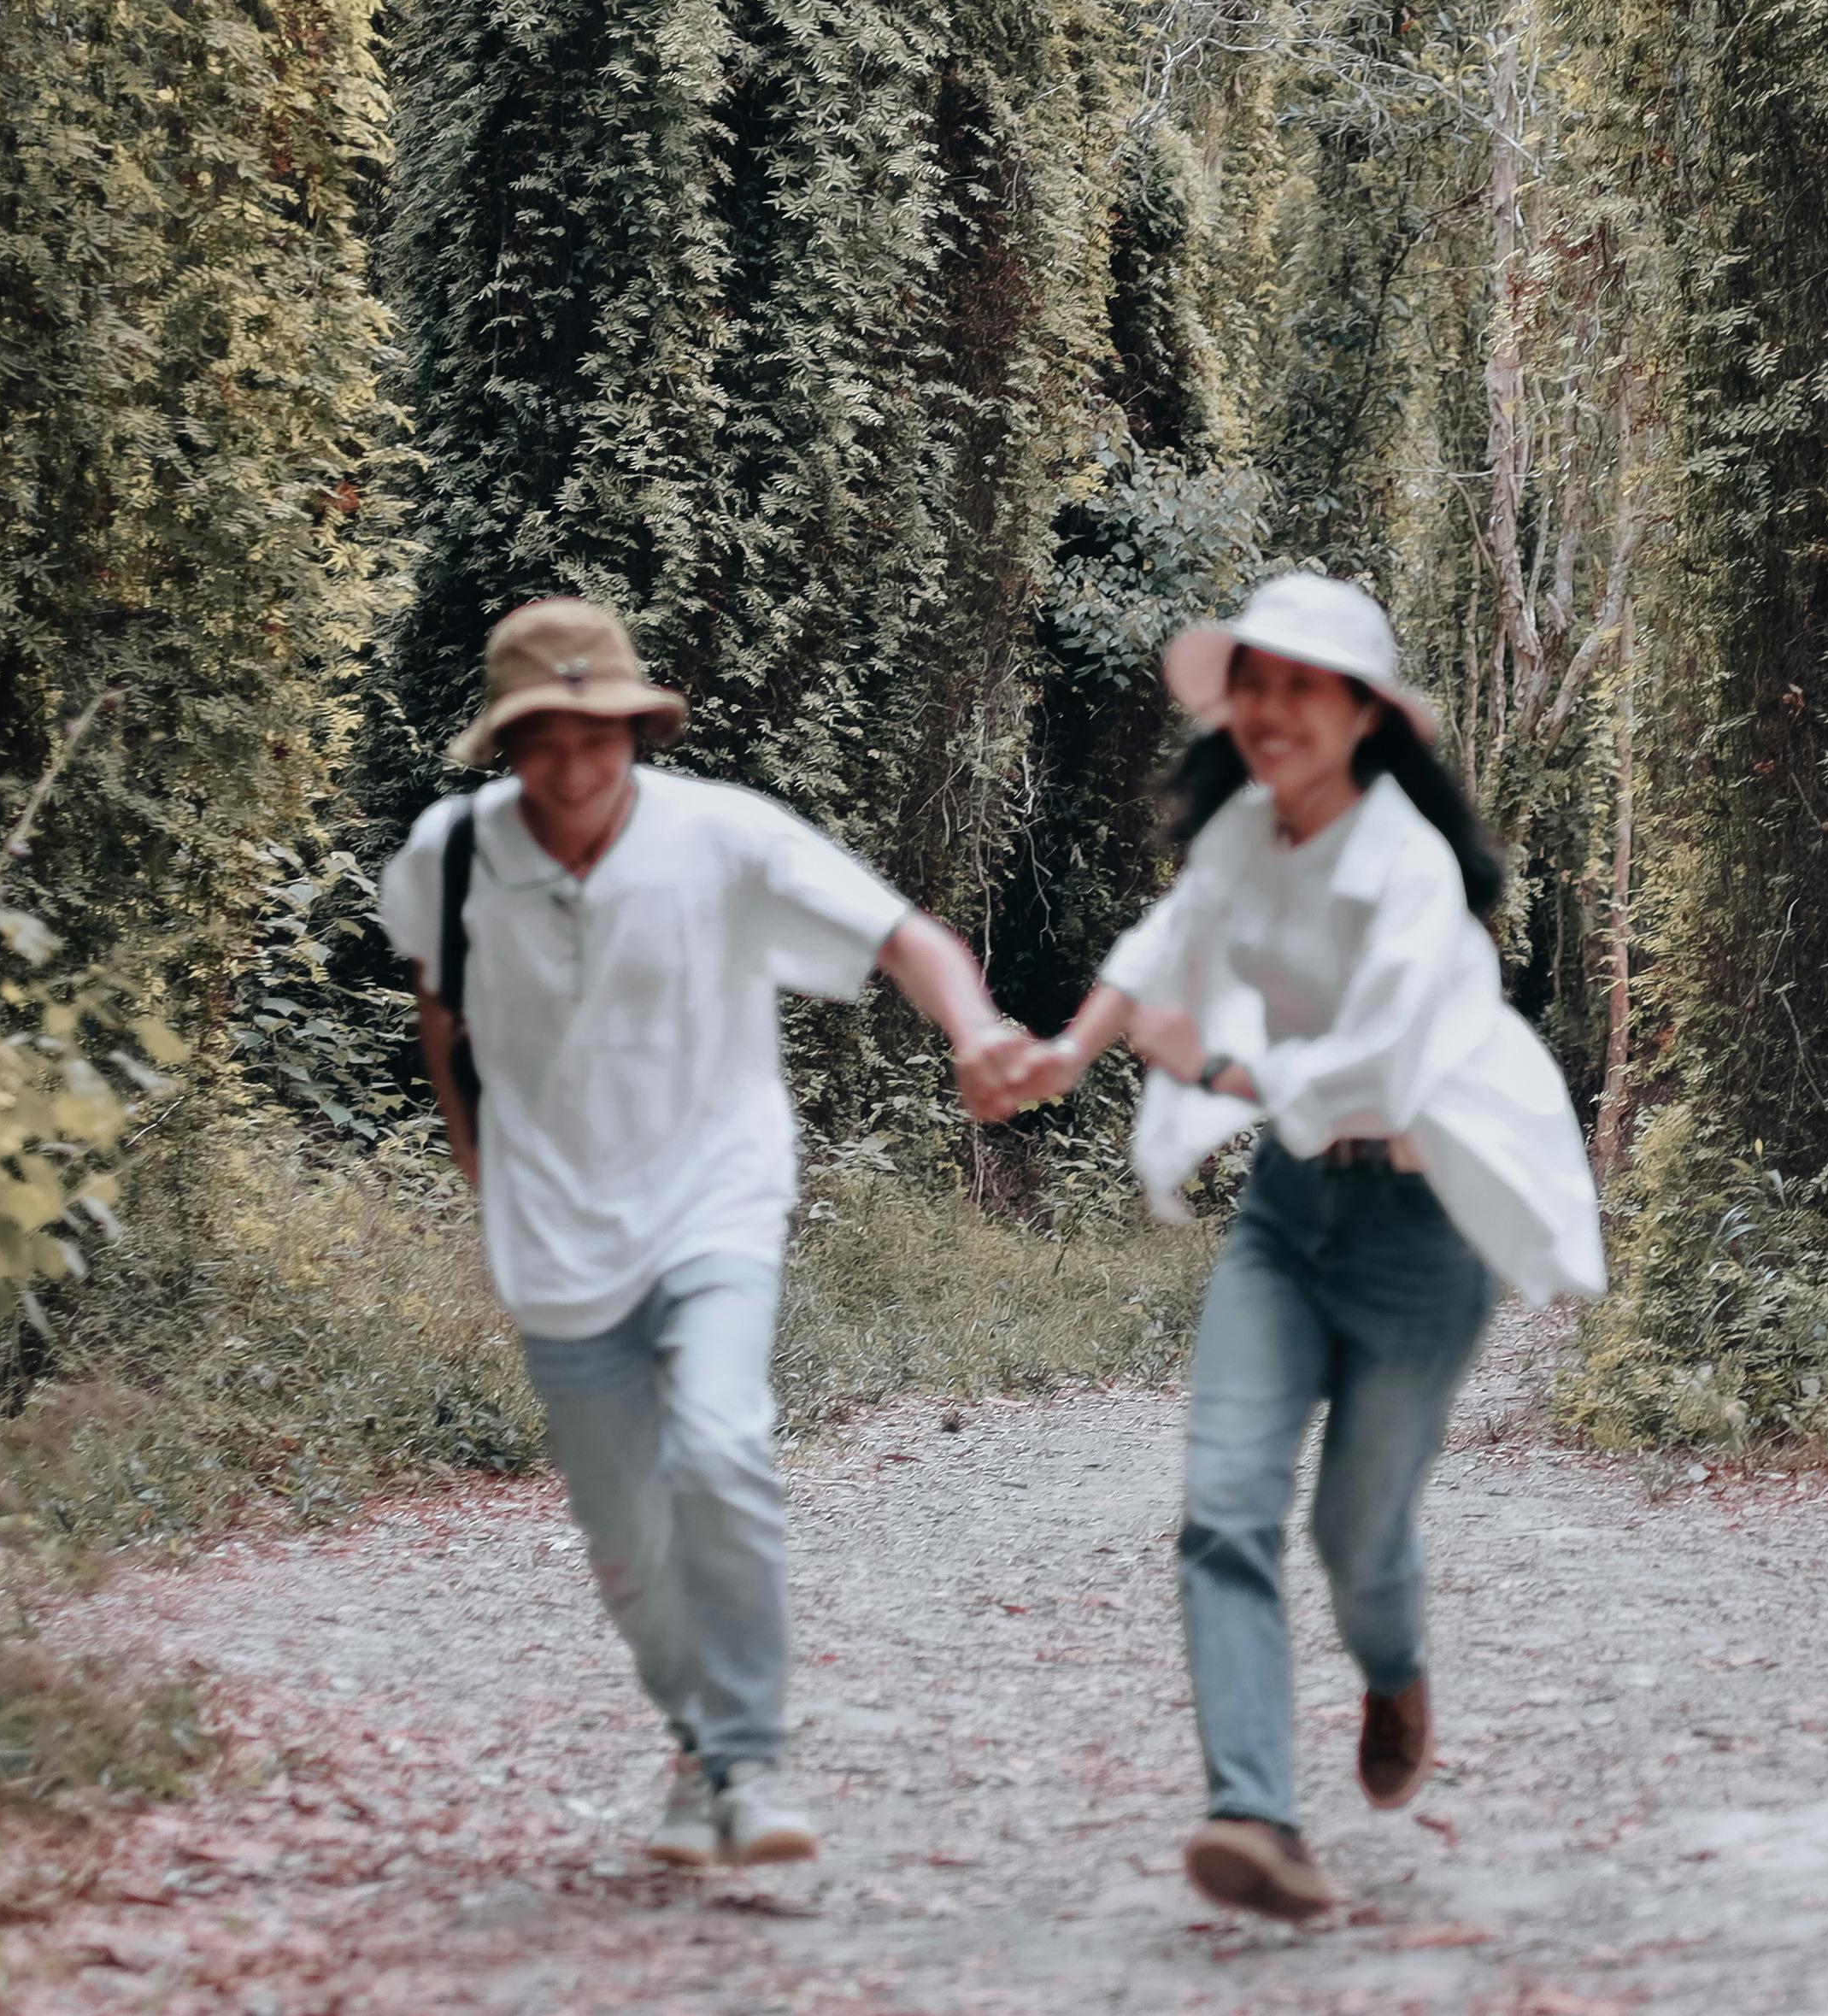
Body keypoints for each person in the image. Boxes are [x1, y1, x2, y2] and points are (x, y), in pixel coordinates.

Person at [380, 597, 1050, 1872]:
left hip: (713, 1196)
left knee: (722, 1445)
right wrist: (479, 1165)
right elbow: (440, 1008)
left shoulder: (722, 836)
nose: (573, 769)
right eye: (543, 742)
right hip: (555, 1231)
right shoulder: (449, 857)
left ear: (637, 730)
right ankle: (695, 1746)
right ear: (505, 745)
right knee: (626, 1542)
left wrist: (974, 1035)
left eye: (598, 738)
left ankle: (747, 1761)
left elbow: (906, 937)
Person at [1002, 573, 1605, 1925]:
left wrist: (1217, 1068)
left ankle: (1396, 1674)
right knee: (1224, 1504)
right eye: (1254, 687)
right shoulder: (1243, 831)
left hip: (1420, 1235)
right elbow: (1168, 938)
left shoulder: (1409, 869)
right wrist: (1069, 1051)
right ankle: (1254, 1816)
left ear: (1365, 715)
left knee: (1357, 1534)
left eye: (1303, 689)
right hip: (1286, 1215)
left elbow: (1377, 1069)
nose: (1272, 713)